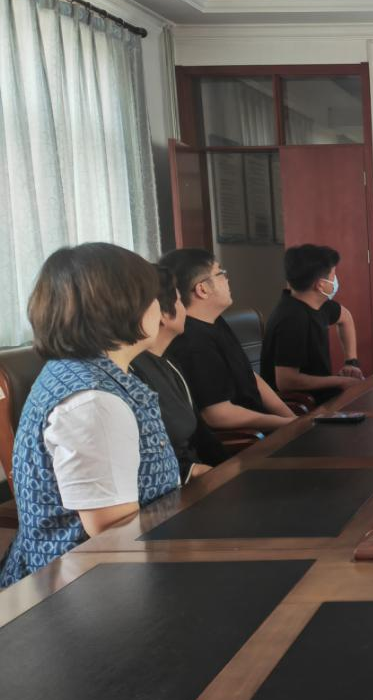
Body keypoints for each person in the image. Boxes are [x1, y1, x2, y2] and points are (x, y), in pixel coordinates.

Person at [0, 244, 180, 587]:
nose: (160, 306)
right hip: (80, 592)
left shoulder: (89, 374)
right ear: (123, 307)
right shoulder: (93, 403)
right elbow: (113, 535)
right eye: (152, 296)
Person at [160, 249, 296, 432]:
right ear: (202, 289)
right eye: (220, 273)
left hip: (265, 428)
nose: (227, 279)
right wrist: (284, 424)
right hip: (245, 439)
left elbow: (249, 375)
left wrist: (292, 419)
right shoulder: (192, 342)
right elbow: (218, 415)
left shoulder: (215, 321)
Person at [130, 266, 228, 484]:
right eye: (180, 302)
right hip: (175, 487)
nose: (185, 310)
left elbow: (199, 433)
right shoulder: (132, 371)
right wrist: (190, 471)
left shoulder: (169, 362)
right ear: (163, 314)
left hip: (196, 475)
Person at [261, 244, 364, 405]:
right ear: (320, 284)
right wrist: (340, 381)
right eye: (333, 275)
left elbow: (346, 318)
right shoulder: (291, 319)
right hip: (302, 406)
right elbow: (286, 381)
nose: (335, 281)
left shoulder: (318, 304)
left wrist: (351, 362)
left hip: (323, 396)